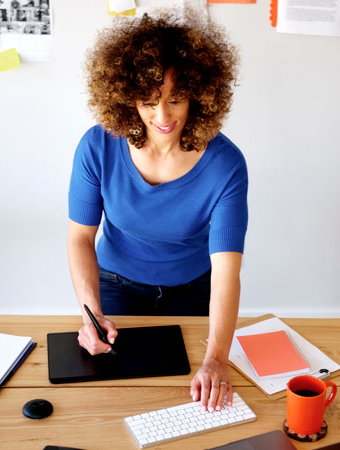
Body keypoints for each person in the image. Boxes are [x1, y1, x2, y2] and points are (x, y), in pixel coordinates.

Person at [67, 10, 246, 413]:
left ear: (198, 95)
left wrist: (218, 357)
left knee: (189, 401)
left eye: (175, 99)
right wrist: (91, 314)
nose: (162, 117)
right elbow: (80, 237)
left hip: (194, 289)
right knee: (113, 399)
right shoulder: (97, 147)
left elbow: (226, 270)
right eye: (148, 101)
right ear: (125, 96)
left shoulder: (226, 165)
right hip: (115, 284)